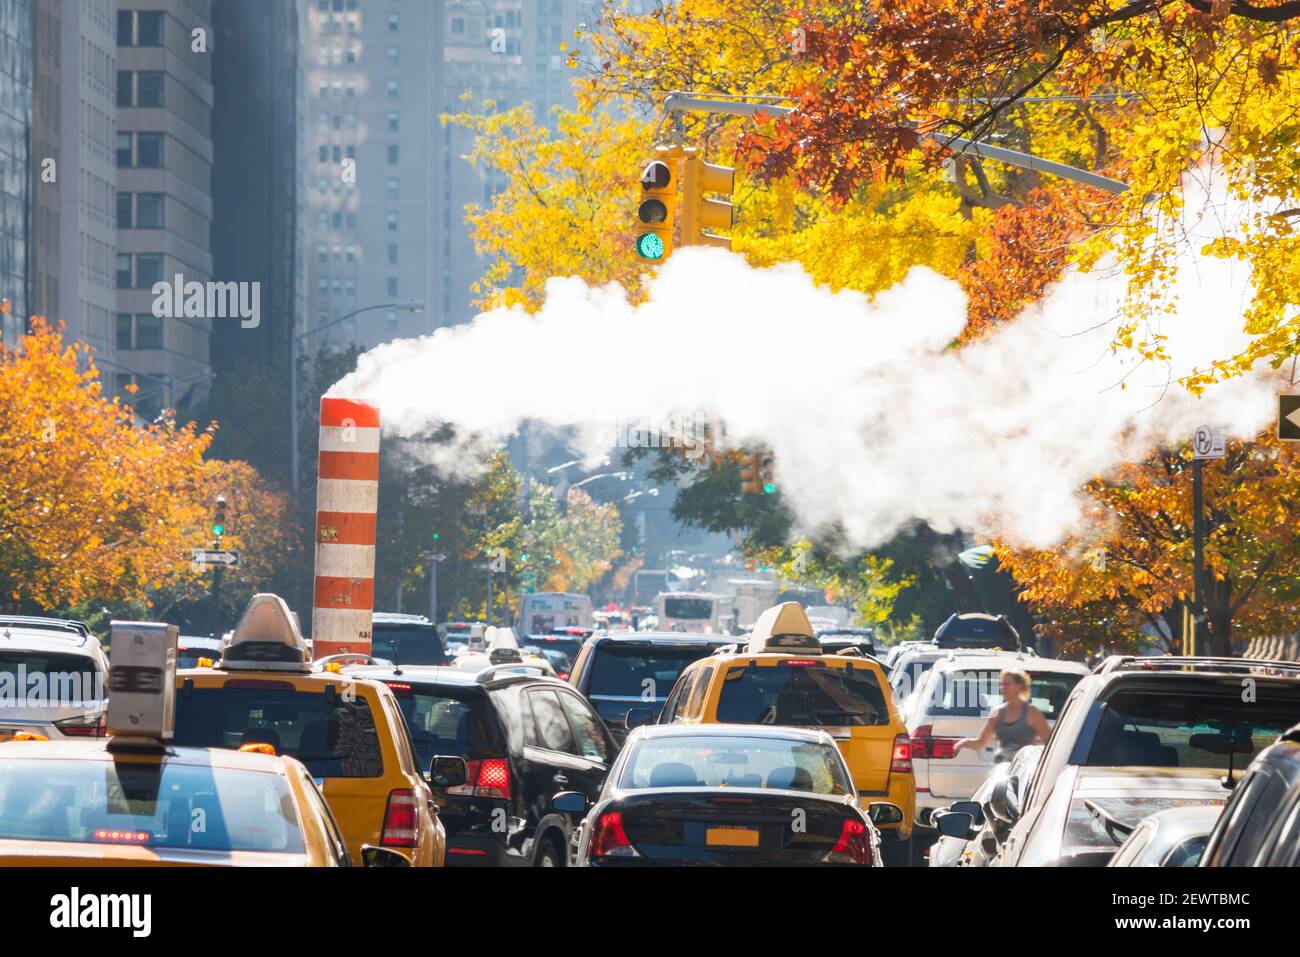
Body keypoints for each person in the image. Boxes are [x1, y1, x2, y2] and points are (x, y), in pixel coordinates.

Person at [952, 668, 1050, 762]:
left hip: (1023, 770)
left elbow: (1050, 744)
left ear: (1018, 686)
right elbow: (980, 743)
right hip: (1002, 769)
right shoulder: (997, 713)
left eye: (1007, 684)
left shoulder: (1032, 713)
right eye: (1001, 684)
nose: (1002, 688)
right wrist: (962, 743)